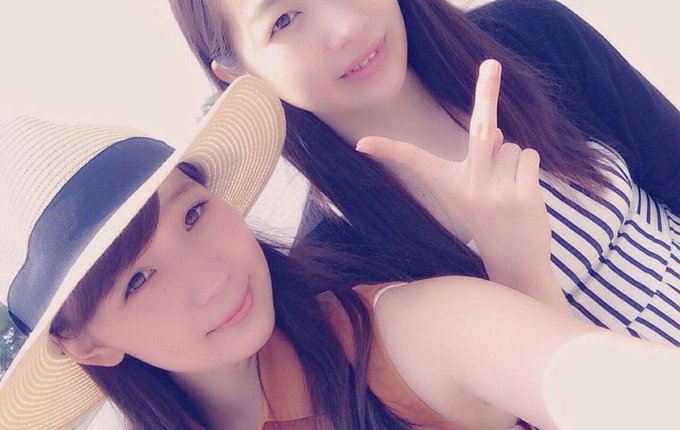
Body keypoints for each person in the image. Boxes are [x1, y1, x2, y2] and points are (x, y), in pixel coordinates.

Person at [0, 75, 678, 430]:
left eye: (195, 213)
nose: (210, 277)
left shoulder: (386, 337)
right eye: (138, 279)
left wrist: (523, 275)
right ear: (87, 344)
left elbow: (593, 383)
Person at [162, 0, 680, 345]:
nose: (345, 27)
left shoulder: (528, 35)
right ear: (237, 74)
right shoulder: (339, 269)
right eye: (284, 20)